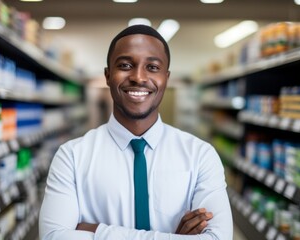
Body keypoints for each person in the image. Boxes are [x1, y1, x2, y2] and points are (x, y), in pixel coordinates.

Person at [39, 24, 233, 239]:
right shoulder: (72, 157)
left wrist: (97, 231)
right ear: (107, 75)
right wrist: (173, 236)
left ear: (166, 78)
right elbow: (53, 237)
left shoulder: (200, 155)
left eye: (152, 67)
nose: (138, 77)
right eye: (125, 65)